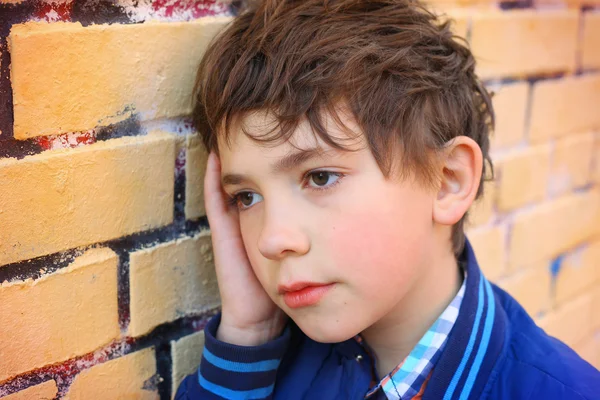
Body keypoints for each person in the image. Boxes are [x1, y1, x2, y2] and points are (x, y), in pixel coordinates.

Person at [175, 0, 600, 398]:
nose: (271, 240)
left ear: (447, 180)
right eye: (246, 197)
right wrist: (248, 334)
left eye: (319, 177)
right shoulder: (258, 364)